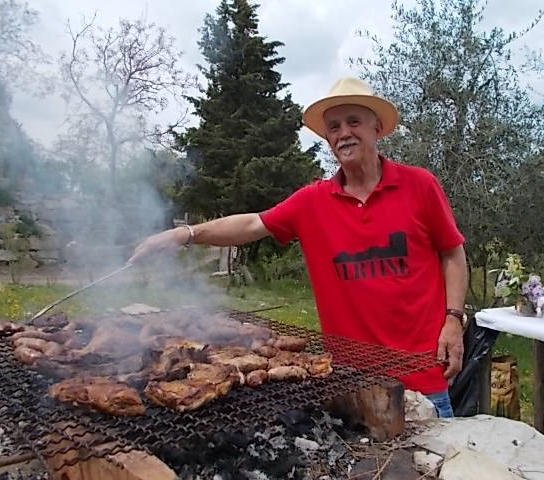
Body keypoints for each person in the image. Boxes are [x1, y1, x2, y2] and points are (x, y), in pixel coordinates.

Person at [129, 77, 468, 417]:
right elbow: (252, 224)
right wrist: (184, 235)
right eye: (334, 127)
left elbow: (452, 253)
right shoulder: (312, 201)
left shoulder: (420, 185)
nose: (343, 133)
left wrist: (453, 320)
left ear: (376, 127)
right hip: (347, 381)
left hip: (422, 377)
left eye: (353, 122)